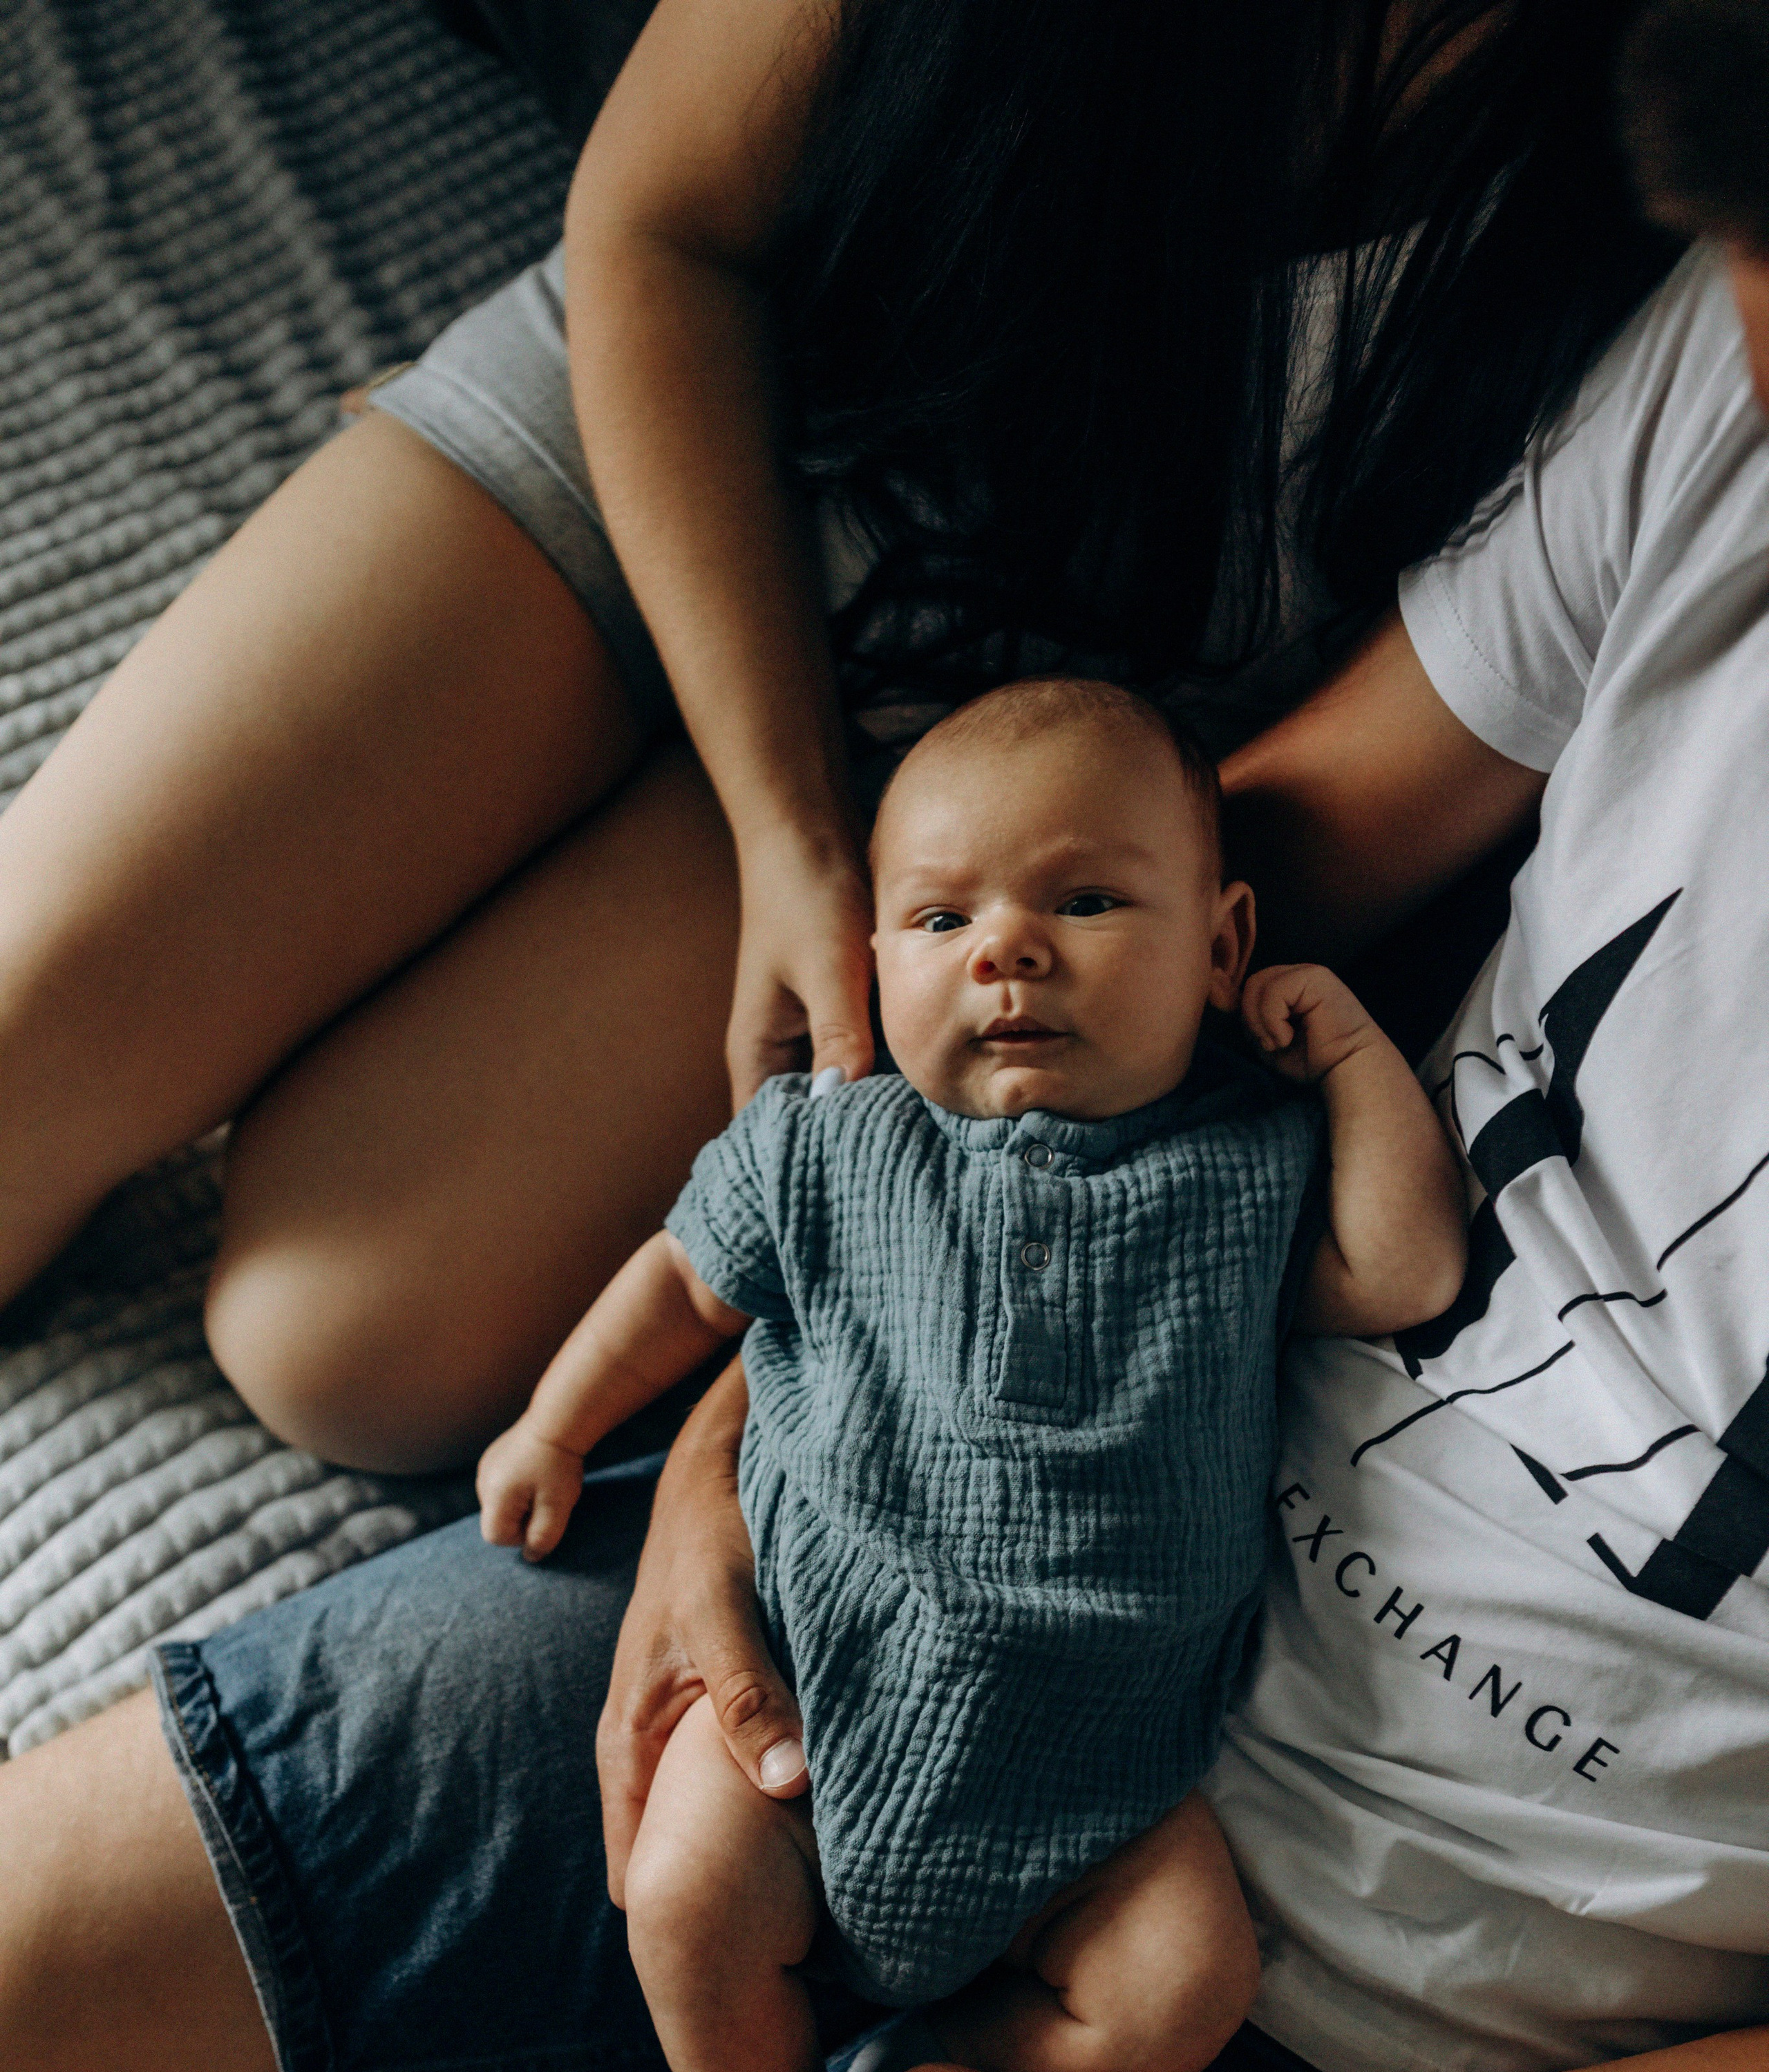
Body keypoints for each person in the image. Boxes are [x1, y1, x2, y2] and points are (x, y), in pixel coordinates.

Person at [6, 25, 1769, 2072]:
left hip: (1388, 2027)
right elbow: (1247, 852)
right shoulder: (1727, 365)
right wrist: (840, 1297)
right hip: (954, 1511)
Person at [0, 0, 1662, 1472]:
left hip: (1017, 769)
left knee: (330, 1347)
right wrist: (779, 827)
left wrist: (984, 897)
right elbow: (663, 223)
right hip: (699, 438)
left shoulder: (1681, 147)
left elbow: (1389, 769)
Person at [477, 679, 1463, 2072]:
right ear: (872, 960)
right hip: (813, 1705)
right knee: (684, 1906)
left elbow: (1402, 1266)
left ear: (1220, 945)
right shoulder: (825, 1145)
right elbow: (680, 1285)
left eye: (1081, 901)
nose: (1005, 949)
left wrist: (1345, 1054)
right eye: (941, 923)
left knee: (1179, 1992)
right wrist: (555, 1425)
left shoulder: (1237, 1172)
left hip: (1105, 1784)